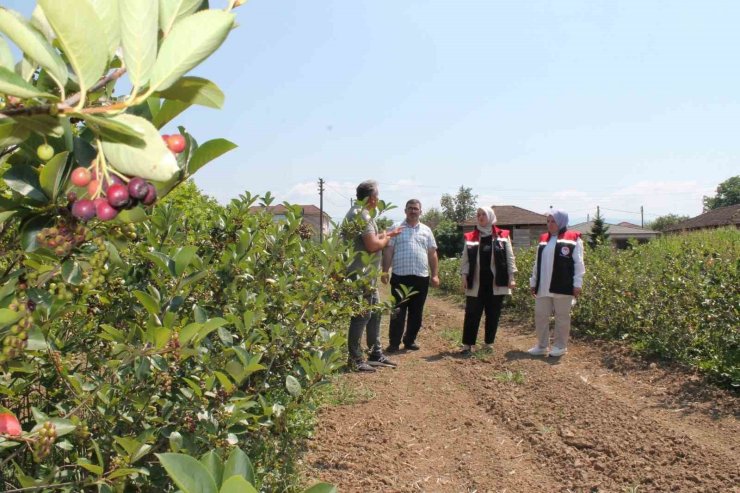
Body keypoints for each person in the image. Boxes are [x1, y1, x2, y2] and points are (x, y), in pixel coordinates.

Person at [343, 180, 403, 372]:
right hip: (359, 275)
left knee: (375, 312)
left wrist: (387, 235)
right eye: (377, 195)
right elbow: (372, 245)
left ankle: (375, 353)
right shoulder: (362, 215)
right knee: (362, 316)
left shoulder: (361, 213)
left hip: (366, 275)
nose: (378, 199)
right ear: (371, 198)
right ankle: (355, 359)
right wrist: (387, 238)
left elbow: (371, 240)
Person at [381, 199, 439, 352]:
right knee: (398, 311)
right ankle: (394, 343)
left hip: (421, 277)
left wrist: (435, 275)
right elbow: (388, 251)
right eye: (410, 208)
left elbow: (432, 254)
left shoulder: (426, 230)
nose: (413, 211)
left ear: (421, 211)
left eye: (416, 208)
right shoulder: (396, 228)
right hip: (400, 277)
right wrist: (385, 271)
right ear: (405, 211)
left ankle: (409, 340)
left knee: (417, 312)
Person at [459, 207, 517, 355]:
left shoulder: (502, 235)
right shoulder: (471, 236)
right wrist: (464, 276)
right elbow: (465, 260)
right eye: (478, 215)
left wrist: (512, 277)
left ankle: (488, 344)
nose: (480, 217)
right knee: (472, 313)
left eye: (483, 214)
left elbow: (510, 258)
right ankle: (467, 345)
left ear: (490, 216)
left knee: (493, 314)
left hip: (496, 283)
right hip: (476, 282)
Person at [528, 209, 585, 357]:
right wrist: (533, 281)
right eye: (548, 221)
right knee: (540, 315)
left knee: (562, 317)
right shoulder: (543, 239)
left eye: (553, 221)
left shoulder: (573, 238)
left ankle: (560, 346)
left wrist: (577, 283)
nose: (550, 224)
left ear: (561, 222)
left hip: (563, 285)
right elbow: (537, 263)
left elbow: (579, 263)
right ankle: (542, 345)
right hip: (543, 285)